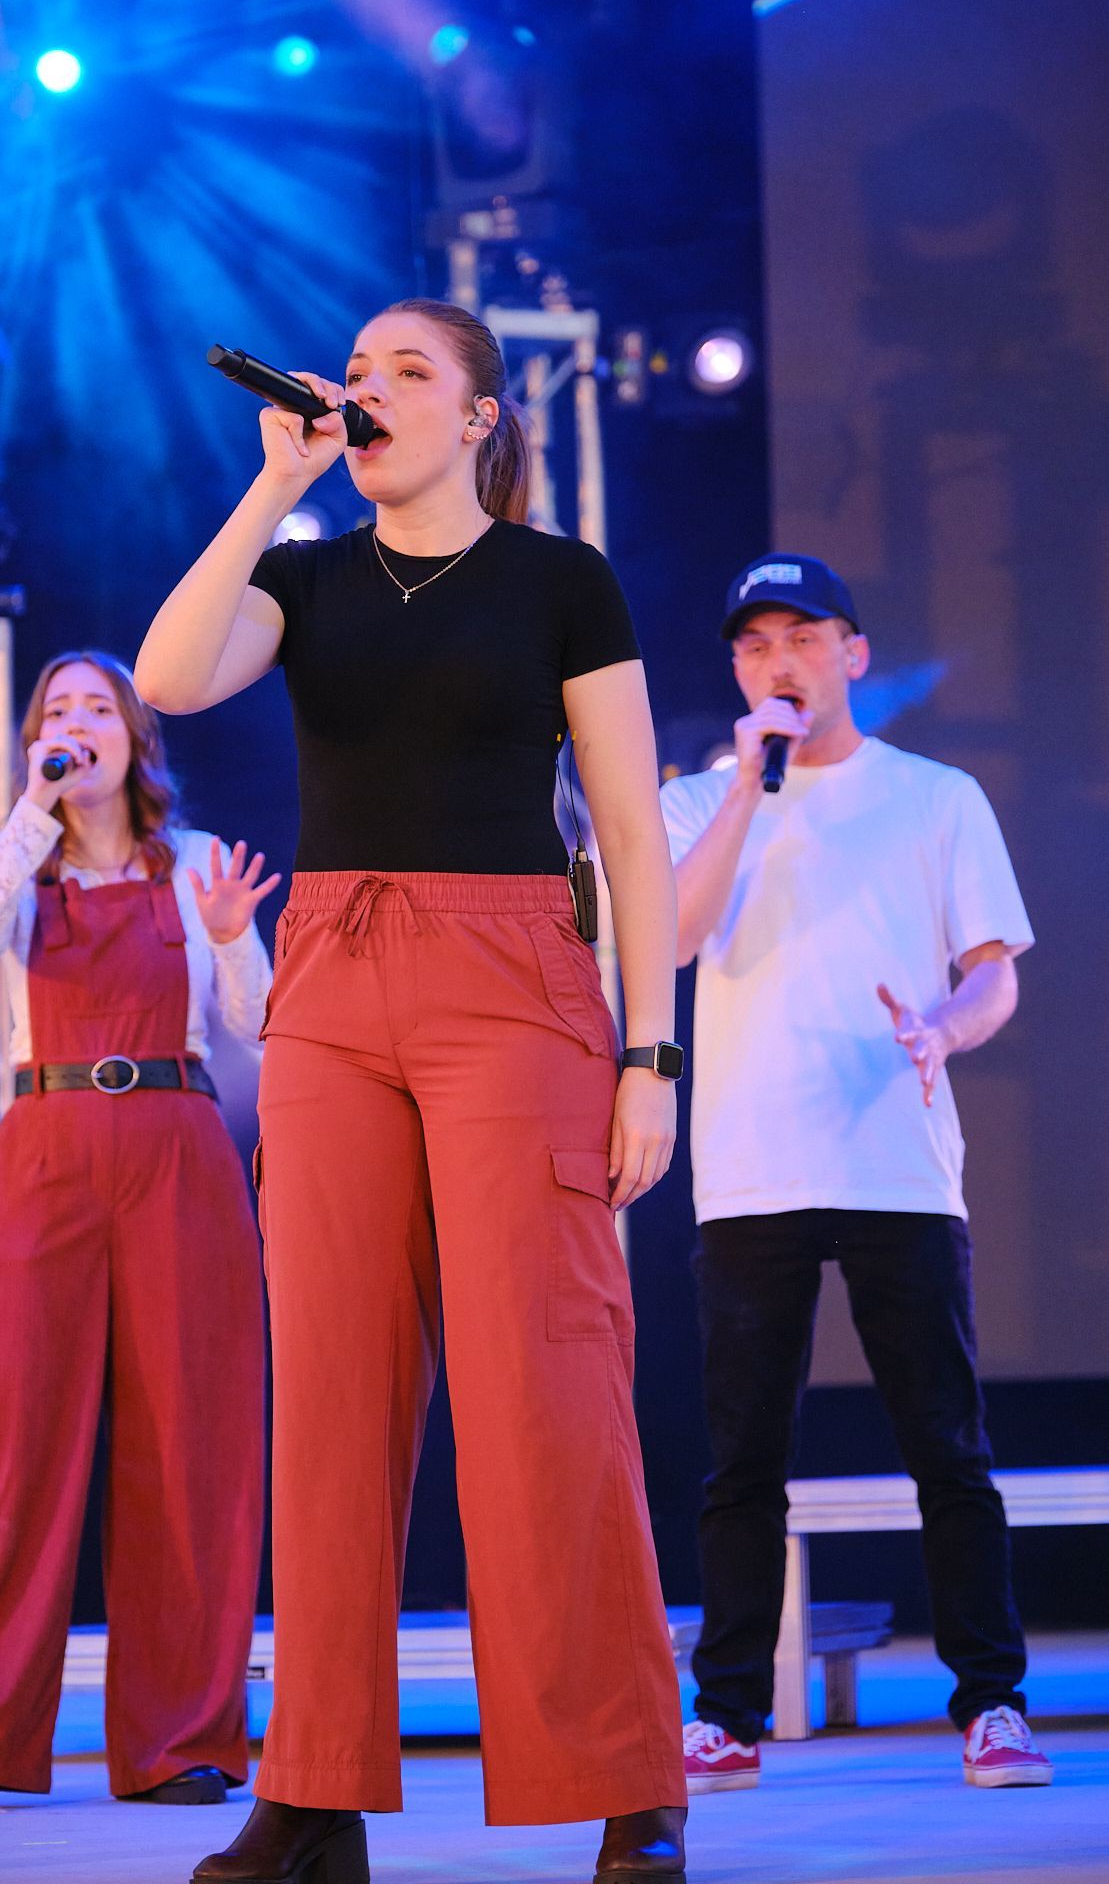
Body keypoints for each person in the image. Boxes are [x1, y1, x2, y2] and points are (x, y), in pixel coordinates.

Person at [136, 299, 690, 1884]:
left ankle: (622, 1781)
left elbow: (634, 834)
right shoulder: (302, 577)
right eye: (356, 373)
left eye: (405, 374)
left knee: (545, 1387)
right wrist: (269, 485)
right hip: (334, 976)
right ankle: (308, 1795)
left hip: (514, 972)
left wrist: (650, 1054)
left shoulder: (558, 581)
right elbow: (172, 679)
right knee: (326, 1393)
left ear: (479, 417)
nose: (368, 391)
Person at [660, 553, 1052, 1794]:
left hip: (898, 1161)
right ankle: (725, 1712)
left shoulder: (937, 796)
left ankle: (990, 1701)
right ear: (737, 668)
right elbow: (671, 936)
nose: (782, 661)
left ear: (854, 652)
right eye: (757, 643)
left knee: (947, 1444)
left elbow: (997, 968)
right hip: (750, 1162)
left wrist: (943, 1025)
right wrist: (743, 793)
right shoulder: (696, 800)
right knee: (742, 1457)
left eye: (805, 637)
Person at [0, 651, 275, 1814]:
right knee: (5, 1434)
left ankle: (182, 1738)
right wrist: (33, 807)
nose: (79, 724)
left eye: (100, 708)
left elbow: (254, 1018)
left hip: (175, 1137)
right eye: (59, 711)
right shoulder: (22, 851)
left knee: (192, 1437)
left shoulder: (196, 863)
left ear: (137, 735)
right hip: (46, 1135)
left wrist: (237, 934)